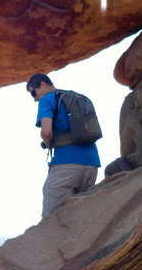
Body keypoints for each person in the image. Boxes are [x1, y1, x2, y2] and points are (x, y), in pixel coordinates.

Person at [26, 73, 101, 217]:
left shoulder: (47, 99)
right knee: (81, 214)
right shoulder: (75, 97)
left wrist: (48, 143)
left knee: (52, 215)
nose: (35, 99)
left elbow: (46, 131)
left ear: (42, 84)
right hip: (92, 164)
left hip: (67, 163)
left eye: (33, 93)